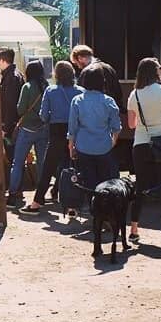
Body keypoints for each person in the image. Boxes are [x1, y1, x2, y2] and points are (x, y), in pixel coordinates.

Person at [126, 57, 161, 245]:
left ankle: (133, 230)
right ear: (154, 71)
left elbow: (131, 125)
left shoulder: (135, 94)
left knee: (140, 187)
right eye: (159, 67)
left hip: (141, 144)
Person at [22, 61, 84, 214]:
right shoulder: (80, 91)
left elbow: (43, 116)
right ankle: (72, 204)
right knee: (74, 168)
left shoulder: (51, 91)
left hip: (56, 131)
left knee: (48, 168)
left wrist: (52, 117)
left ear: (57, 74)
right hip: (75, 132)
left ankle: (37, 202)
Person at [67, 64, 122, 216]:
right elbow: (116, 127)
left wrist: (71, 146)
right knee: (106, 182)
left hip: (84, 147)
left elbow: (72, 128)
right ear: (102, 81)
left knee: (89, 182)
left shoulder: (77, 100)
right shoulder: (109, 101)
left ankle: (95, 212)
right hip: (104, 147)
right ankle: (108, 212)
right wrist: (113, 141)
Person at [6, 59, 48, 208]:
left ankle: (12, 195)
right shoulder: (46, 86)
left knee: (18, 162)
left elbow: (20, 109)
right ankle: (41, 194)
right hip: (43, 128)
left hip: (27, 129)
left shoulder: (27, 87)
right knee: (43, 162)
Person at [71, 44, 125, 112]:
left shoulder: (87, 71)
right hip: (113, 109)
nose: (78, 67)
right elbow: (118, 92)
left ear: (80, 58)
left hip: (95, 113)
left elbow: (81, 94)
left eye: (76, 63)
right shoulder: (109, 68)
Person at [0, 47, 25, 161]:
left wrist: (6, 128)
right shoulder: (16, 75)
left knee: (13, 156)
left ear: (3, 60)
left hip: (11, 126)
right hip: (15, 123)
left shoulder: (10, 78)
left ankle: (16, 179)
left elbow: (10, 104)